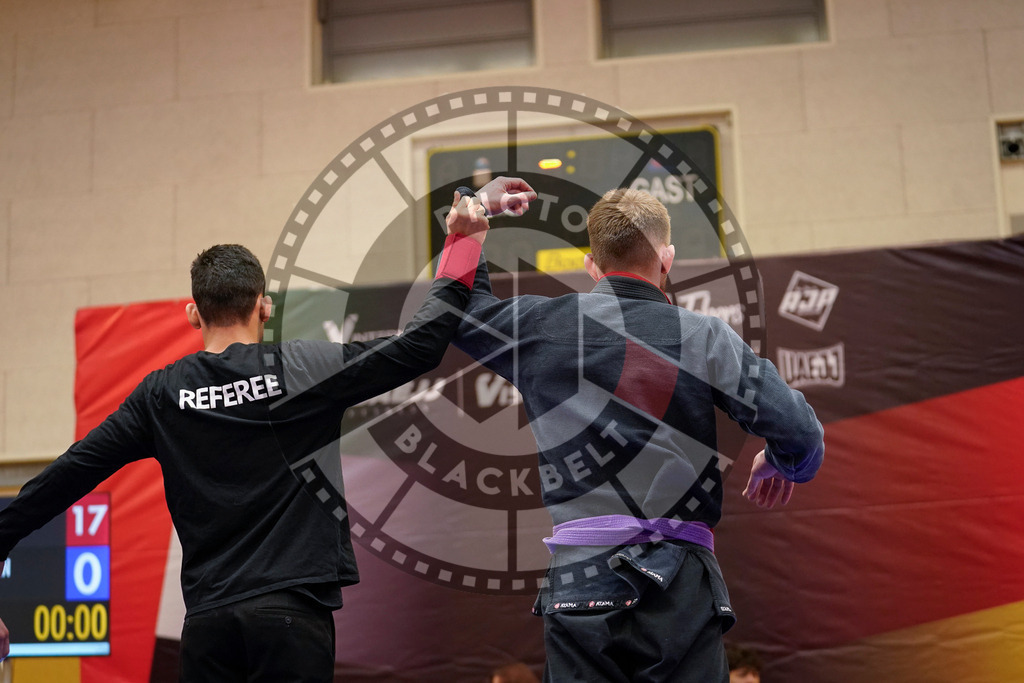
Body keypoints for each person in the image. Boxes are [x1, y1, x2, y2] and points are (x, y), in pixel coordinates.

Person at [0, 178, 534, 682]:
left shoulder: (159, 395)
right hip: (290, 620)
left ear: (193, 313)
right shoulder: (299, 369)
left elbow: (60, 481)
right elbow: (419, 346)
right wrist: (464, 238)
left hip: (207, 628)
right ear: (265, 307)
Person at [454, 187, 824, 682]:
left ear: (591, 265)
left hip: (581, 582)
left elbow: (459, 310)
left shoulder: (539, 327)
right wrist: (782, 460)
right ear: (667, 259)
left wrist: (472, 218)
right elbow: (801, 433)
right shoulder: (704, 337)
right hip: (679, 586)